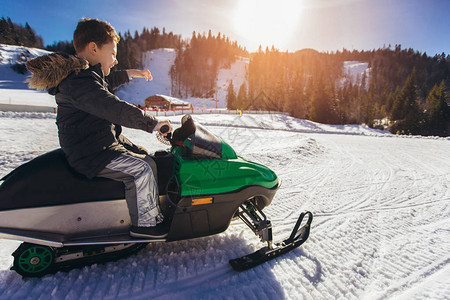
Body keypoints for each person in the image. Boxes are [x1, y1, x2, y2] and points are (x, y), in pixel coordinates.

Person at [25, 18, 172, 238]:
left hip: (101, 145)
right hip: (92, 153)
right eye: (112, 53)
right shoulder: (79, 84)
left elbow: (108, 81)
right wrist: (153, 123)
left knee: (147, 156)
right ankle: (146, 225)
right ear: (94, 48)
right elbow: (111, 106)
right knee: (142, 169)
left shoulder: (85, 78)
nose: (115, 60)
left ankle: (137, 206)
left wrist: (133, 73)